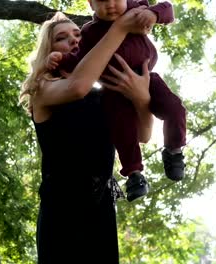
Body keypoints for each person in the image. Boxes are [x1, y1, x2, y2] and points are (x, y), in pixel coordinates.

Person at [20, 10, 153, 263]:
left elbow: (144, 135)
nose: (74, 39)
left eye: (78, 34)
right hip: (62, 214)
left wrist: (141, 98)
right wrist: (120, 27)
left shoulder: (105, 97)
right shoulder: (44, 90)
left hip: (101, 211)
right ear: (50, 51)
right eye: (62, 37)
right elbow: (77, 87)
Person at [47, 0, 187, 202]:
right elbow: (80, 61)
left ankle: (174, 150)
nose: (111, 4)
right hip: (112, 90)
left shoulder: (137, 10)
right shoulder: (89, 33)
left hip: (149, 79)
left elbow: (167, 8)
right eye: (102, 0)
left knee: (175, 109)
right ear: (91, 4)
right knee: (123, 131)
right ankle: (134, 174)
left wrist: (154, 15)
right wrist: (59, 59)